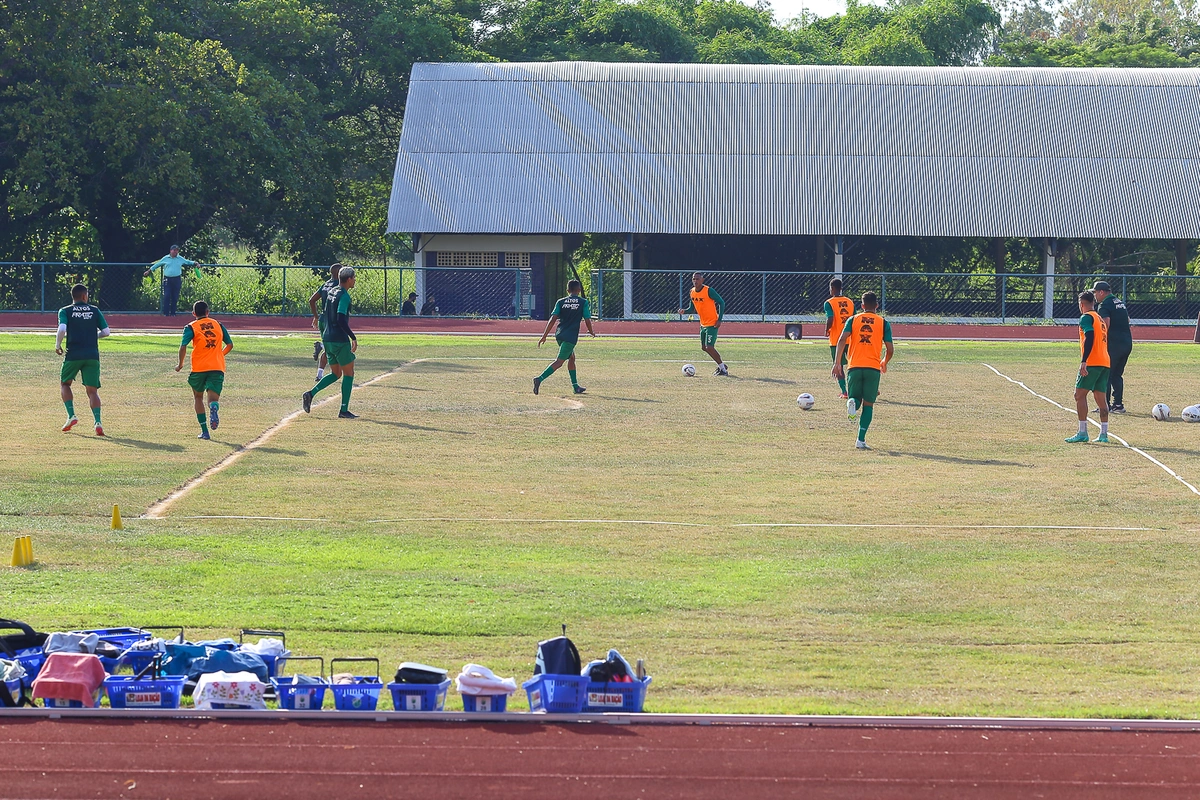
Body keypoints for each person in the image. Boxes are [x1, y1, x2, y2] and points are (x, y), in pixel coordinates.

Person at [833, 291, 894, 450]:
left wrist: (837, 362)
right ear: (877, 305)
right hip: (873, 368)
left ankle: (852, 402)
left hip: (854, 366)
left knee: (855, 398)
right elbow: (890, 349)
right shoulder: (883, 322)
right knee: (868, 405)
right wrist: (884, 362)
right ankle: (860, 440)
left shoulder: (853, 319)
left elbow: (842, 340)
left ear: (861, 306)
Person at [56, 284, 111, 436]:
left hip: (73, 354)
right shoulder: (94, 310)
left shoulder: (65, 311)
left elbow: (61, 329)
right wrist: (94, 337)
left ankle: (71, 415)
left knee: (65, 384)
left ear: (73, 296)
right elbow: (106, 332)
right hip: (92, 355)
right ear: (84, 296)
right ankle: (98, 422)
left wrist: (57, 345)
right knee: (92, 391)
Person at [303, 267, 358, 419]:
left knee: (335, 373)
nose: (355, 280)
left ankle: (310, 393)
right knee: (349, 373)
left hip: (327, 338)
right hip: (339, 339)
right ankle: (344, 410)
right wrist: (352, 337)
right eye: (354, 278)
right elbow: (340, 318)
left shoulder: (332, 291)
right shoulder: (345, 296)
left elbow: (326, 314)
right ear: (348, 279)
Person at [175, 301, 233, 440]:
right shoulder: (218, 324)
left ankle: (205, 432)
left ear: (194, 313)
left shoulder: (191, 327)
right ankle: (213, 407)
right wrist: (219, 355)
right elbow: (230, 344)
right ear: (208, 312)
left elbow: (183, 346)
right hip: (217, 367)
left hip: (199, 368)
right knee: (213, 399)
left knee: (198, 397)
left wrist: (180, 364)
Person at [534, 279, 595, 395]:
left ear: (568, 290)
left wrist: (544, 336)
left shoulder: (561, 302)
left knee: (571, 358)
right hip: (570, 337)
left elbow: (552, 319)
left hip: (560, 334)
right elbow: (587, 319)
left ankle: (575, 386)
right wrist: (591, 331)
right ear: (579, 290)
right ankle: (539, 379)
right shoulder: (583, 302)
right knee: (559, 362)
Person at [1066, 290, 1111, 444]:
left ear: (1081, 304)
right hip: (1105, 362)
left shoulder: (1086, 317)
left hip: (1092, 362)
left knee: (1079, 395)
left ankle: (1082, 432)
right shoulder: (1099, 318)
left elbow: (1090, 336)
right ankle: (1104, 434)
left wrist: (1084, 360)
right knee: (1101, 399)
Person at [1092, 280, 1131, 414]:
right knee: (1117, 375)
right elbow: (1127, 320)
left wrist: (1098, 341)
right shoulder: (1119, 302)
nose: (1095, 296)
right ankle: (1118, 405)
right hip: (1126, 343)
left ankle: (1105, 405)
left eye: (1096, 292)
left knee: (1106, 374)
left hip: (1114, 344)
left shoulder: (1104, 305)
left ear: (1102, 292)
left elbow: (1105, 324)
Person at [677, 272, 727, 375]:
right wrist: (684, 311)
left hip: (712, 324)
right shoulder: (692, 292)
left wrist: (719, 319)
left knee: (709, 347)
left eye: (698, 279)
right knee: (704, 348)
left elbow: (721, 302)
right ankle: (721, 365)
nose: (695, 281)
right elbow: (691, 308)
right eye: (694, 279)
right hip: (703, 324)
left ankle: (723, 369)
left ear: (702, 280)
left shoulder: (709, 291)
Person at [307, 264, 342, 382]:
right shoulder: (339, 285)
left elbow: (312, 300)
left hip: (322, 319)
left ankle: (319, 375)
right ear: (339, 273)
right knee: (333, 345)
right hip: (331, 321)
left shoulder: (325, 284)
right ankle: (321, 346)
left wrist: (316, 317)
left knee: (329, 348)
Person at [144, 245, 198, 317]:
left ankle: (173, 313)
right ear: (170, 251)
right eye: (174, 250)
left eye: (177, 250)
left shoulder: (180, 258)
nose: (175, 252)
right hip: (167, 279)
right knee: (167, 295)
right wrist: (149, 271)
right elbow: (157, 265)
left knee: (175, 296)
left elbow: (187, 262)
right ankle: (166, 313)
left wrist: (195, 263)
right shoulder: (166, 258)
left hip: (177, 279)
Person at [824, 278, 854, 399]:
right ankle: (861, 388)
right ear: (841, 288)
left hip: (837, 339)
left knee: (839, 365)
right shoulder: (849, 301)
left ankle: (844, 391)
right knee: (856, 364)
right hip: (851, 337)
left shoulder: (829, 303)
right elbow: (854, 318)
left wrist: (826, 329)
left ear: (831, 288)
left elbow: (830, 318)